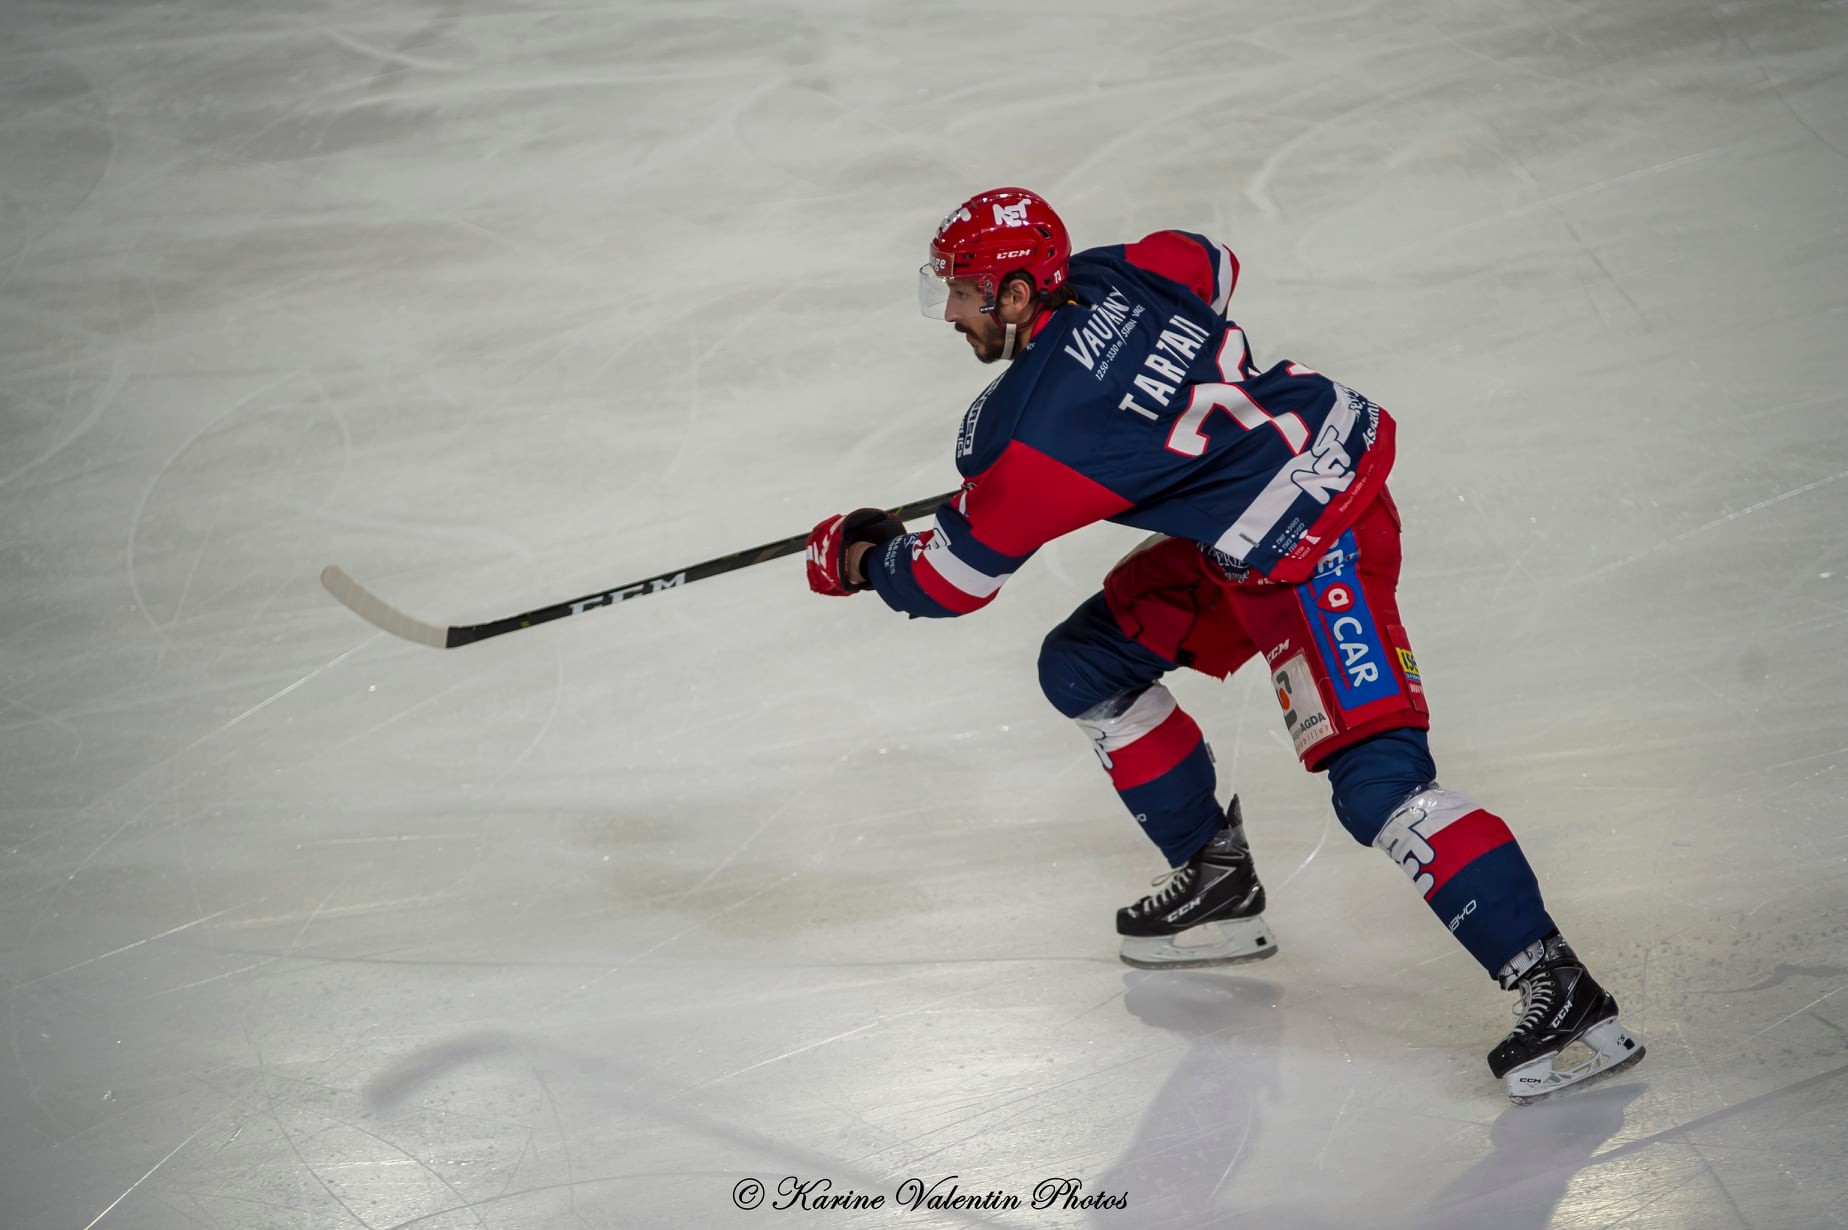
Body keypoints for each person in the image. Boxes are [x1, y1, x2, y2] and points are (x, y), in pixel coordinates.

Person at [804, 188, 1644, 1104]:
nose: (952, 312)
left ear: (1015, 296)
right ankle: (1215, 876)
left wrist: (860, 561)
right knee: (1084, 663)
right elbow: (1210, 260)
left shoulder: (1031, 440)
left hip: (1320, 548)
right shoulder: (1115, 273)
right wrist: (1139, 395)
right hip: (1256, 524)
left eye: (964, 293)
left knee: (1381, 786)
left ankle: (1563, 995)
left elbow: (947, 582)